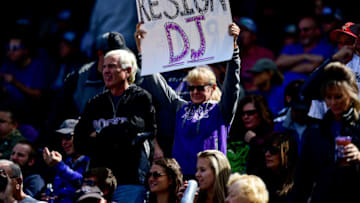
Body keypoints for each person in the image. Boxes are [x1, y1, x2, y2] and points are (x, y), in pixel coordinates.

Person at [136, 22, 241, 177]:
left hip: (212, 177)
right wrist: (142, 50)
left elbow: (232, 83)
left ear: (212, 88)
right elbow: (156, 83)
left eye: (200, 87)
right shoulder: (181, 107)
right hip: (182, 177)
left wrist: (234, 49)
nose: (195, 92)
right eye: (191, 88)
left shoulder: (222, 110)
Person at [74, 48, 157, 203]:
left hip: (130, 180)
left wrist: (98, 135)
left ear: (128, 71)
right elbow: (79, 141)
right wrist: (115, 135)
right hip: (99, 183)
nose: (106, 71)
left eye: (112, 66)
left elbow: (133, 128)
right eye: (104, 67)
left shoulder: (140, 98)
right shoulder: (95, 103)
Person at [291, 62, 360, 203]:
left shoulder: (358, 127)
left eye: (339, 97)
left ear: (350, 95)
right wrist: (332, 60)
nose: (333, 102)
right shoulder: (315, 132)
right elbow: (303, 179)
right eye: (329, 97)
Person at [42, 119, 90, 202]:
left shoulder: (91, 160)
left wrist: (59, 166)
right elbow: (57, 189)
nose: (63, 143)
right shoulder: (66, 162)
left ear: (80, 136)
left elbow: (85, 184)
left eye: (68, 137)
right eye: (61, 138)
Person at [227, 95, 274, 175]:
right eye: (243, 114)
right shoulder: (235, 135)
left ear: (260, 113)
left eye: (250, 113)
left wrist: (254, 141)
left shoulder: (271, 135)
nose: (245, 117)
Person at [235, 17, 275, 91]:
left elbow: (272, 79)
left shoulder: (265, 54)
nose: (241, 35)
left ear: (254, 36)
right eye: (240, 31)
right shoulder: (235, 55)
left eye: (245, 31)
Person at [260, 132, 298, 203]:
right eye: (265, 150)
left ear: (286, 153)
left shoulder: (298, 183)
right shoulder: (261, 179)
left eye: (273, 150)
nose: (267, 154)